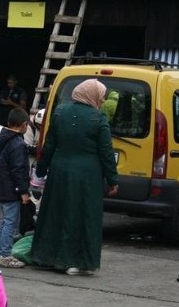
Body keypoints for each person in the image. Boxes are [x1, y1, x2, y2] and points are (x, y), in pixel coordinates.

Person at [30, 78, 119, 275]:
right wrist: (113, 179)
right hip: (87, 177)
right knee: (82, 216)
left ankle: (48, 257)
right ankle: (76, 261)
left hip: (60, 172)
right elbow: (106, 152)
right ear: (93, 95)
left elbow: (49, 145)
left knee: (56, 213)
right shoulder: (98, 119)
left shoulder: (60, 112)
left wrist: (41, 170)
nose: (103, 101)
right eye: (102, 97)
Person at [0, 108, 31, 268]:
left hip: (1, 186)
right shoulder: (18, 144)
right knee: (10, 222)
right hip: (11, 189)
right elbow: (19, 170)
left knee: (4, 221)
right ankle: (5, 255)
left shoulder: (3, 138)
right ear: (23, 125)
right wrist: (23, 191)